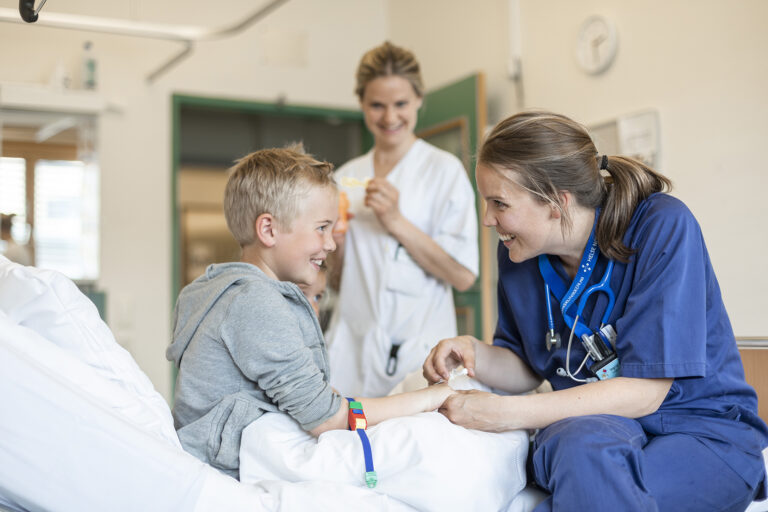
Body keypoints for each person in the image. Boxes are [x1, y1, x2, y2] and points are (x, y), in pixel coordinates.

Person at [423, 111, 768, 511]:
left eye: (499, 203)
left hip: (700, 430)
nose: (487, 219)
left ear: (557, 201)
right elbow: (528, 366)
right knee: (581, 445)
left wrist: (504, 413)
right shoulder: (518, 255)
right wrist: (475, 353)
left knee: (590, 481)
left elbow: (644, 392)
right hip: (590, 428)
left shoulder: (660, 226)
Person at [166, 146, 453, 479]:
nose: (330, 243)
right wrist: (430, 399)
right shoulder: (255, 302)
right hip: (229, 477)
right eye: (321, 228)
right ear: (268, 230)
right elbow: (327, 419)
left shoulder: (214, 290)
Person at [325, 41, 479, 397]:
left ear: (419, 100)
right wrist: (339, 245)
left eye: (401, 104)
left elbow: (463, 276)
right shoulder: (345, 177)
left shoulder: (443, 171)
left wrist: (396, 222)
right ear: (361, 103)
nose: (389, 117)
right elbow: (337, 282)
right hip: (351, 352)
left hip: (418, 353)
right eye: (377, 105)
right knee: (347, 430)